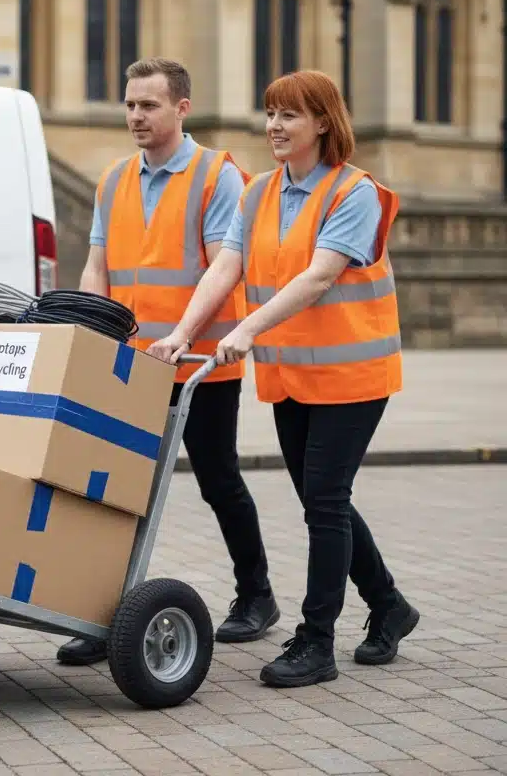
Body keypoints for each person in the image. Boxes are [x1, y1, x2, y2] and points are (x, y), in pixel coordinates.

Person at [149, 68, 420, 688]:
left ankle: (316, 641)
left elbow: (318, 277)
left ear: (323, 122)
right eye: (270, 113)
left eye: (289, 115)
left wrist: (248, 331)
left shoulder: (356, 194)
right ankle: (390, 606)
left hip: (354, 376)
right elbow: (228, 269)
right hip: (294, 376)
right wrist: (185, 333)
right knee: (325, 500)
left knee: (324, 501)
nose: (273, 126)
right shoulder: (260, 192)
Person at [56, 56, 280, 667]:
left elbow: (221, 268)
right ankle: (99, 615)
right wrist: (89, 327)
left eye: (148, 105)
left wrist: (182, 336)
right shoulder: (112, 180)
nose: (136, 116)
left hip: (200, 363)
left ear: (181, 108)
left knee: (217, 479)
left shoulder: (217, 178)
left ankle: (256, 596)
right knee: (111, 486)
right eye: (130, 104)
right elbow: (97, 266)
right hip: (131, 365)